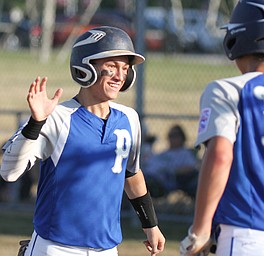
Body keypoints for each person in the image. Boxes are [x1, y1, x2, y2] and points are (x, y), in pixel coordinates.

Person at [0, 26, 165, 256]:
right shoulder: (58, 117)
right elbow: (9, 172)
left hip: (107, 249)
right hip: (55, 247)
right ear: (85, 68)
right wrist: (35, 123)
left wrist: (151, 224)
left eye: (125, 69)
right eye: (111, 67)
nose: (120, 76)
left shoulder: (129, 119)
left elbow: (131, 174)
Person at [180, 0, 264, 256]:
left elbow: (221, 155)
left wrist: (200, 231)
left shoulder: (227, 90)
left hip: (246, 236)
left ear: (240, 35)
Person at [144, 124, 199, 198]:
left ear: (182, 137)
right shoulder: (163, 153)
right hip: (150, 176)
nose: (172, 138)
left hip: (166, 182)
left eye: (175, 135)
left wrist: (172, 171)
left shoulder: (185, 153)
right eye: (170, 135)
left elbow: (191, 167)